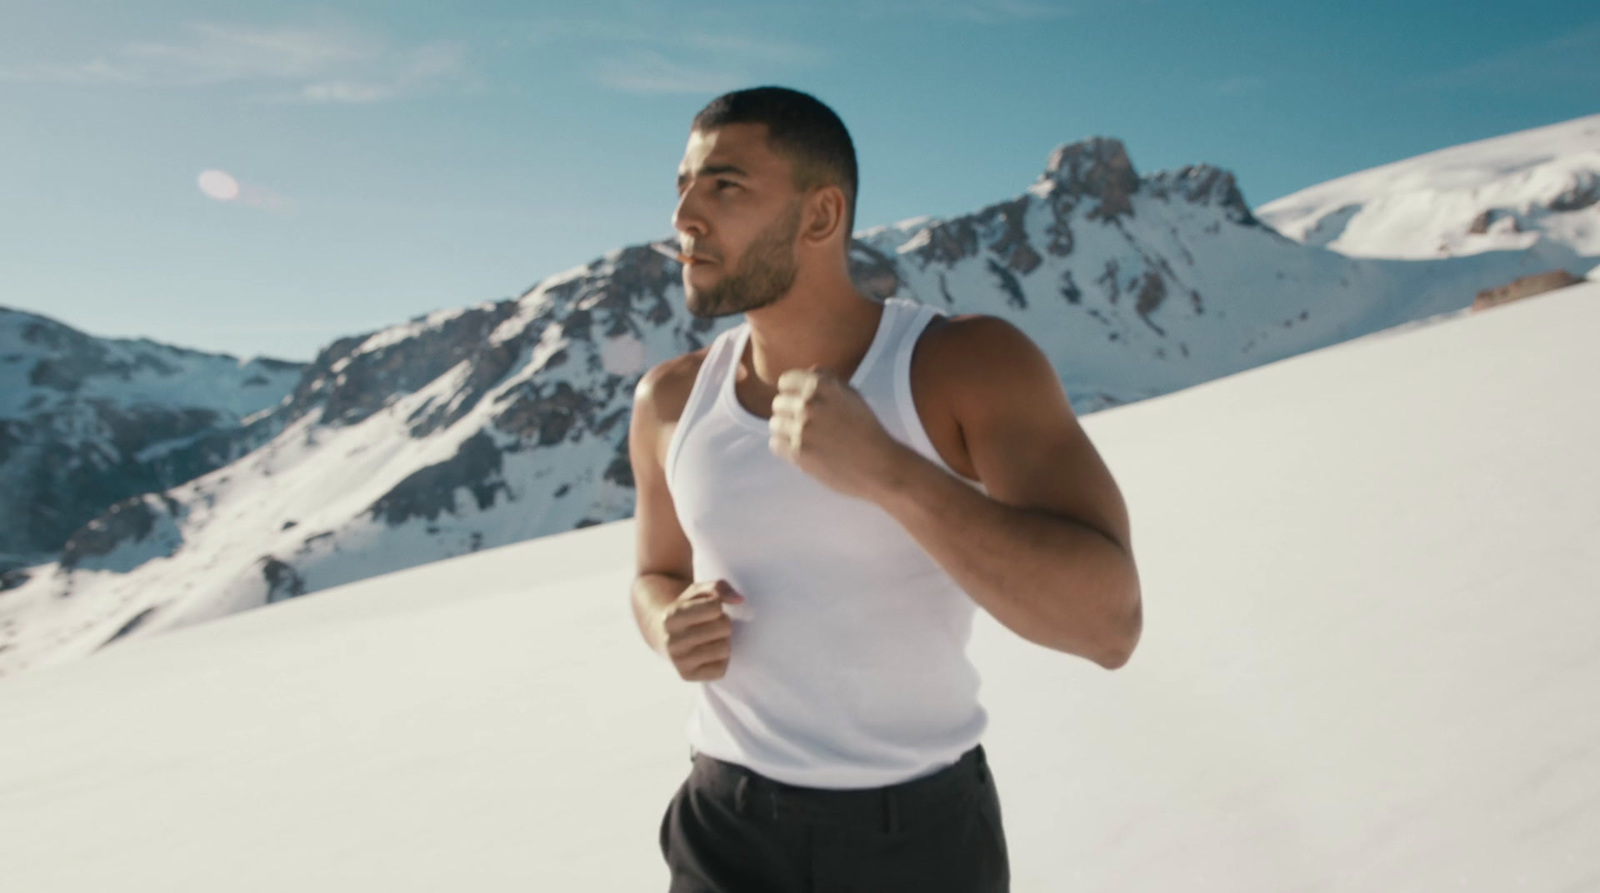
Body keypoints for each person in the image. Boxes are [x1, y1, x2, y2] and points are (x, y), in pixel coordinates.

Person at [628, 86, 1142, 893]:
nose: (684, 215)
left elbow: (1109, 624)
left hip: (918, 844)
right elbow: (653, 572)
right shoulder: (669, 400)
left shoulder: (963, 366)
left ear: (821, 216)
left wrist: (893, 476)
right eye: (683, 185)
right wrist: (667, 624)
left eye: (724, 185)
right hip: (723, 828)